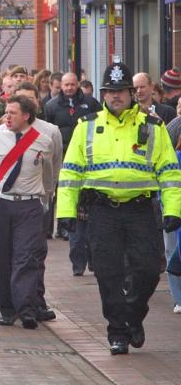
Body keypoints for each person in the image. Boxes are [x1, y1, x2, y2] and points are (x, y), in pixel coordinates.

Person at [57, 62, 181, 355]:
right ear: (103, 94)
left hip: (140, 210)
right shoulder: (87, 126)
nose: (116, 97)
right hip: (102, 211)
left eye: (121, 91)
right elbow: (71, 171)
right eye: (110, 92)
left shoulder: (152, 126)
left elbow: (169, 171)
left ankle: (133, 316)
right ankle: (118, 332)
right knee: (108, 273)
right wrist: (65, 211)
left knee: (149, 270)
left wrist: (173, 210)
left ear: (131, 93)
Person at [0, 95, 53, 330]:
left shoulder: (44, 141)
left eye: (12, 113)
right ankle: (7, 309)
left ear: (26, 115)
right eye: (6, 112)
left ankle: (27, 309)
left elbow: (49, 174)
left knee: (26, 256)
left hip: (29, 205)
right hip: (1, 203)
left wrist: (46, 200)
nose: (7, 117)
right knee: (2, 258)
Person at [13, 82, 62, 322]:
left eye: (30, 99)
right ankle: (17, 299)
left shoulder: (50, 131)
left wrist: (49, 195)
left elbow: (55, 166)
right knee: (15, 254)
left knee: (36, 253)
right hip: (11, 201)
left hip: (39, 200)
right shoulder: (5, 129)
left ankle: (36, 299)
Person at [43, 72, 102, 240]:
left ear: (78, 84)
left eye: (72, 84)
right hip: (60, 153)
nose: (69, 88)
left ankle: (74, 225)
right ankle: (57, 227)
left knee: (78, 189)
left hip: (85, 153)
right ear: (60, 85)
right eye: (66, 84)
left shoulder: (90, 103)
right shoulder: (51, 106)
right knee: (58, 189)